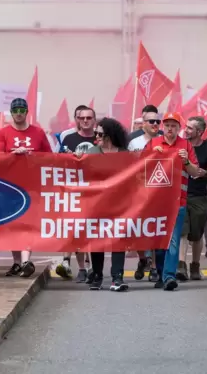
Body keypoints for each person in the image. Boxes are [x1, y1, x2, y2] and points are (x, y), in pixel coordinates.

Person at [0, 97, 53, 278]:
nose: (19, 114)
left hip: (32, 186)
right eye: (15, 111)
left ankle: (26, 260)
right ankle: (17, 262)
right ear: (11, 113)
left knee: (28, 223)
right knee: (13, 224)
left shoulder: (39, 132)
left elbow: (50, 157)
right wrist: (13, 154)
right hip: (9, 186)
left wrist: (33, 157)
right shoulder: (3, 133)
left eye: (22, 110)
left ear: (27, 112)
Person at [149, 112, 200, 291]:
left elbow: (195, 172)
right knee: (159, 239)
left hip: (179, 199)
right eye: (167, 125)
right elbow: (140, 170)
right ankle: (162, 273)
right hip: (156, 201)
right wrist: (151, 156)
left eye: (174, 125)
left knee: (173, 239)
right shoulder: (154, 144)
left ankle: (169, 276)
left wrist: (186, 161)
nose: (170, 128)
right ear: (163, 126)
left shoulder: (185, 145)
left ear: (179, 128)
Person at [83, 117, 130, 292]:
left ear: (110, 135)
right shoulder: (93, 152)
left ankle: (117, 277)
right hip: (97, 203)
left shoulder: (125, 154)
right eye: (95, 133)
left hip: (120, 204)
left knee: (118, 240)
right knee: (97, 240)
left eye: (100, 134)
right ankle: (97, 275)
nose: (97, 136)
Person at [55, 105, 96, 282]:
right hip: (73, 192)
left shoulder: (100, 138)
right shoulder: (68, 138)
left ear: (94, 120)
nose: (85, 121)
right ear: (77, 119)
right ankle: (81, 268)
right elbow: (55, 162)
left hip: (97, 191)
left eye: (89, 118)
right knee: (76, 229)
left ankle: (95, 268)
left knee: (94, 230)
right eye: (82, 118)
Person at [177, 116, 207, 281]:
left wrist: (206, 173)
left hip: (199, 195)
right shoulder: (180, 145)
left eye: (190, 128)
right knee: (182, 232)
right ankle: (181, 266)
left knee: (196, 234)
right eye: (186, 127)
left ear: (199, 132)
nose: (186, 130)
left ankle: (195, 265)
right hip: (181, 194)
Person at [128, 104, 162, 282]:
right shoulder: (134, 142)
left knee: (155, 229)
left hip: (159, 191)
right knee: (139, 230)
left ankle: (155, 267)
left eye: (158, 121)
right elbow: (129, 166)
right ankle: (143, 259)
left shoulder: (165, 139)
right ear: (143, 124)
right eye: (151, 121)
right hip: (139, 191)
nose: (155, 124)